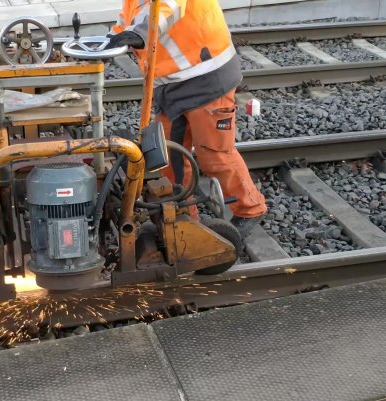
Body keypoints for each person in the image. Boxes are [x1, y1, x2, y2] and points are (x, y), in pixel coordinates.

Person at [105, 0, 267, 238]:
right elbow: (128, 18)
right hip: (171, 85)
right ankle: (184, 218)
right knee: (171, 158)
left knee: (215, 154)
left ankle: (251, 208)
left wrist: (137, 33)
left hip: (207, 76)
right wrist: (104, 43)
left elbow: (167, 7)